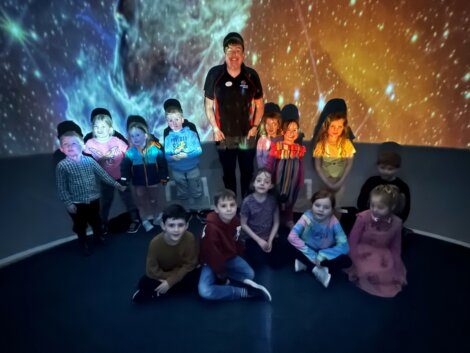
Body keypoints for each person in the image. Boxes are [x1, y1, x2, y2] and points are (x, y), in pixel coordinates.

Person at [203, 32, 264, 197]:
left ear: (243, 54)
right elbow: (208, 106)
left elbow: (260, 105)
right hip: (223, 136)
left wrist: (255, 127)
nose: (234, 55)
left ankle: (246, 207)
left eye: (238, 50)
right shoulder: (214, 74)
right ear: (224, 53)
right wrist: (215, 129)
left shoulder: (251, 76)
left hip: (247, 135)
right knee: (228, 174)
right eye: (230, 50)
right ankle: (230, 212)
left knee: (247, 173)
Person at [56, 131, 126, 255]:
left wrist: (117, 185)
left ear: (82, 145)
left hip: (94, 199)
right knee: (80, 225)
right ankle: (83, 243)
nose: (70, 147)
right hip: (77, 203)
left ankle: (98, 237)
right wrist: (68, 203)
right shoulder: (62, 166)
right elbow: (62, 187)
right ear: (61, 148)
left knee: (96, 221)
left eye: (74, 143)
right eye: (66, 145)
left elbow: (103, 174)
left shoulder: (89, 161)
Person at [198, 189, 272, 301]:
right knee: (204, 291)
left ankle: (226, 276)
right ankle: (243, 292)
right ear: (216, 209)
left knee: (249, 274)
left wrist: (239, 255)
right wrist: (221, 275)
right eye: (223, 206)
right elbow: (212, 255)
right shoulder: (211, 229)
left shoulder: (235, 221)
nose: (229, 209)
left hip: (228, 257)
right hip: (211, 262)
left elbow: (236, 241)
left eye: (232, 205)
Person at [84, 110, 140, 234]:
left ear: (110, 129)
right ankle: (102, 224)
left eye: (103, 126)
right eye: (96, 126)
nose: (100, 129)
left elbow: (129, 153)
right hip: (105, 178)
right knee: (105, 201)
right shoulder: (89, 142)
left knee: (127, 198)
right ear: (92, 128)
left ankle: (135, 219)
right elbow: (85, 157)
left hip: (121, 176)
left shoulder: (116, 140)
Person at [345, 185, 407, 297]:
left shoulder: (397, 223)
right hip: (362, 249)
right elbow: (352, 241)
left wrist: (397, 265)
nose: (374, 209)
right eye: (372, 205)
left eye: (380, 207)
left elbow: (395, 248)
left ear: (391, 207)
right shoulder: (363, 217)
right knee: (369, 270)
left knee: (386, 270)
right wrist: (355, 260)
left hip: (381, 252)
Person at [132, 204, 199, 303]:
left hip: (180, 270)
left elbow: (190, 264)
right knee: (145, 281)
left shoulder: (190, 238)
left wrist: (170, 282)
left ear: (186, 226)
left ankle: (158, 292)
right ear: (163, 226)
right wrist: (169, 279)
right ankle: (165, 290)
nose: (176, 230)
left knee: (195, 275)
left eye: (180, 225)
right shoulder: (155, 243)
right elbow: (151, 270)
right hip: (163, 272)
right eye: (171, 225)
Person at [288, 190, 349, 288]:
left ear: (332, 209)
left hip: (323, 253)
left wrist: (323, 255)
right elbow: (292, 236)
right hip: (307, 250)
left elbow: (344, 245)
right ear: (312, 205)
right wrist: (311, 255)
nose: (321, 209)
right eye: (317, 205)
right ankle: (315, 269)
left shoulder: (334, 222)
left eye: (326, 207)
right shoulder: (307, 216)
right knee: (288, 246)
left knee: (346, 261)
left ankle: (305, 264)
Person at [121, 118, 169, 232]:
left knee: (156, 199)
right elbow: (125, 168)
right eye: (132, 136)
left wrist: (164, 176)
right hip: (138, 183)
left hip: (154, 181)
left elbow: (162, 163)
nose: (135, 138)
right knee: (141, 202)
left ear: (145, 135)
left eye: (137, 135)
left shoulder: (154, 148)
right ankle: (145, 220)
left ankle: (158, 217)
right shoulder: (130, 152)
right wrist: (124, 179)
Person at [267, 119, 306, 227]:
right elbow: (270, 162)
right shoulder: (277, 146)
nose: (291, 133)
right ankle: (275, 221)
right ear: (283, 132)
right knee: (275, 200)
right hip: (278, 180)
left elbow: (301, 165)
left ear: (297, 133)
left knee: (291, 200)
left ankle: (288, 219)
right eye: (288, 130)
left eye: (294, 130)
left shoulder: (299, 149)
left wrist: (301, 180)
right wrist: (267, 177)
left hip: (293, 181)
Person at [163, 98, 203, 202]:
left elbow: (198, 147)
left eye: (176, 119)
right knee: (180, 183)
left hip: (192, 165)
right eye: (170, 119)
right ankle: (184, 199)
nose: (174, 122)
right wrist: (172, 157)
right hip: (177, 167)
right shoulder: (167, 133)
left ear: (181, 117)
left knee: (194, 181)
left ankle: (197, 197)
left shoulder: (190, 128)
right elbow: (167, 153)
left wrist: (187, 155)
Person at [357, 150, 410, 223]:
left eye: (390, 169)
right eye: (382, 168)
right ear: (377, 166)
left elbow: (404, 211)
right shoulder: (371, 181)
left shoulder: (402, 186)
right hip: (369, 221)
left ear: (397, 169)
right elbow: (361, 202)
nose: (385, 171)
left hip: (390, 224)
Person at [313, 110, 356, 199]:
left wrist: (339, 183)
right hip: (324, 182)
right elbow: (318, 166)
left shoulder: (347, 144)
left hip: (340, 183)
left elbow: (349, 165)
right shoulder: (321, 144)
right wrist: (327, 183)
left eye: (339, 127)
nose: (336, 129)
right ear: (327, 127)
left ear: (343, 128)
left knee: (336, 206)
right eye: (332, 126)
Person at [240, 168, 279, 254]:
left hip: (269, 236)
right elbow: (243, 224)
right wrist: (259, 241)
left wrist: (270, 240)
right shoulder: (247, 202)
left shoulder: (273, 201)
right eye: (259, 180)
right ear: (253, 183)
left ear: (271, 185)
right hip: (251, 238)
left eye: (266, 182)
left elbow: (276, 222)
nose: (262, 183)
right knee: (262, 265)